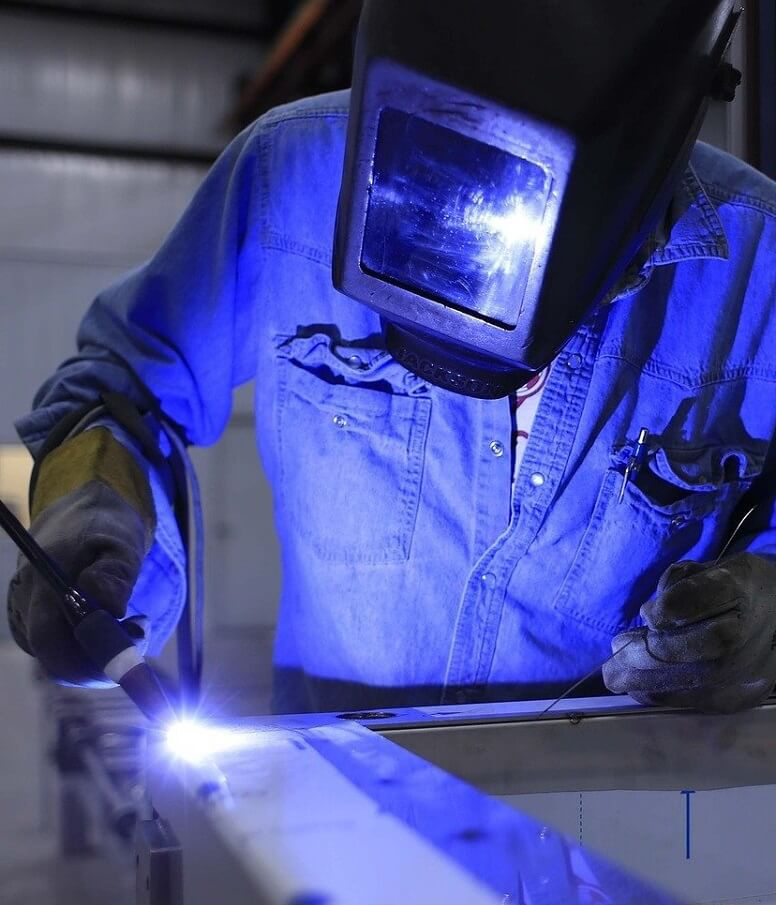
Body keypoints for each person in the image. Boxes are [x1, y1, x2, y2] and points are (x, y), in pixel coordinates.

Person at [7, 1, 776, 715]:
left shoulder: (758, 264)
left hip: (598, 827)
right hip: (342, 818)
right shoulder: (290, 174)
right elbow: (122, 387)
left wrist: (764, 610)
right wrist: (93, 508)